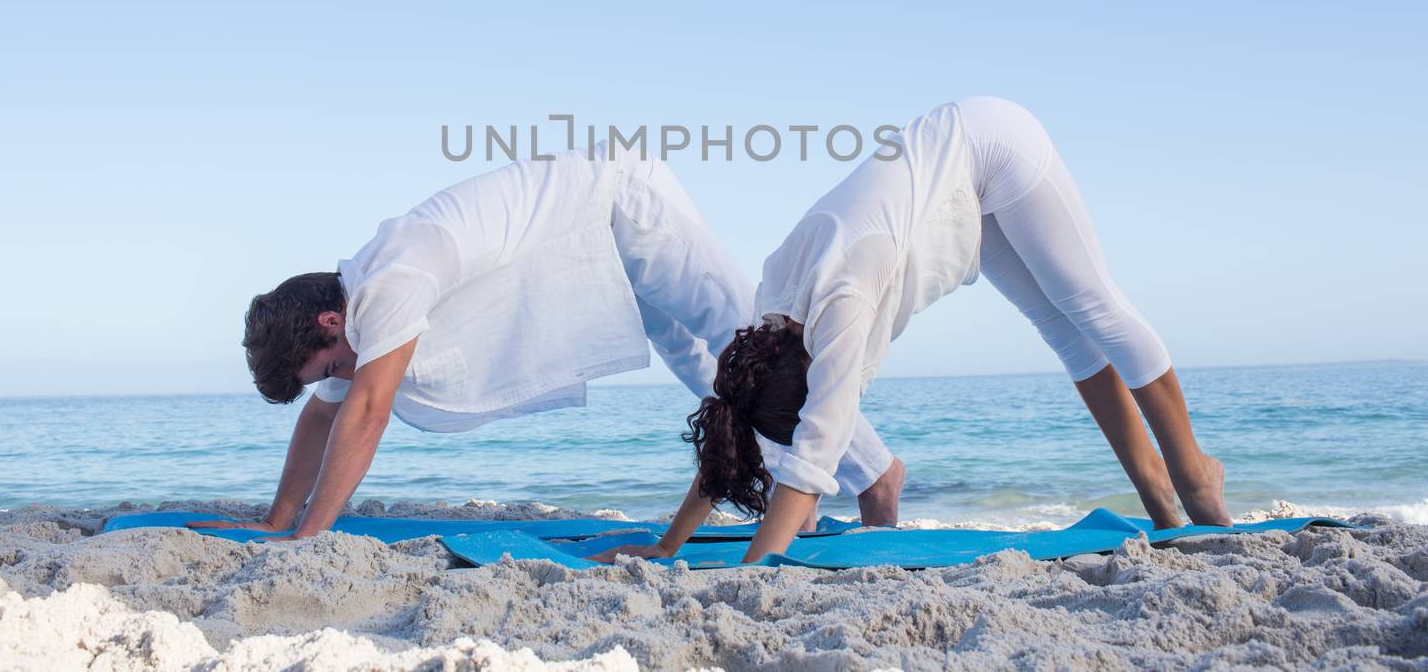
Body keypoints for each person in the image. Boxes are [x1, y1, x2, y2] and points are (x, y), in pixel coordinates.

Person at [593, 96, 1228, 565]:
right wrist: (668, 546)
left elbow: (815, 450)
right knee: (1062, 332)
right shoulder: (769, 321)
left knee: (1094, 308)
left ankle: (1193, 473)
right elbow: (734, 419)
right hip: (949, 182)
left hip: (990, 144)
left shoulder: (842, 305)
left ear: (815, 372)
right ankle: (1156, 494)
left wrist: (754, 568)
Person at [189, 145, 903, 539]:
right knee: (711, 369)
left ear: (328, 323)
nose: (338, 375)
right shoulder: (362, 302)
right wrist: (279, 519)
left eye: (328, 365)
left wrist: (312, 535)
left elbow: (366, 410)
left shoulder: (390, 281)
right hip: (595, 250)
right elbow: (326, 414)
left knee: (746, 347)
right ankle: (796, 488)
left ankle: (874, 474)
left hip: (629, 209)